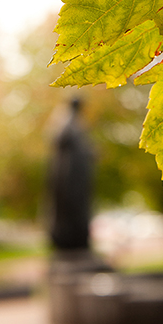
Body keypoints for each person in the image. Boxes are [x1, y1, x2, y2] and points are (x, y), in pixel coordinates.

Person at [48, 97, 94, 250]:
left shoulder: (79, 123)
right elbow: (58, 139)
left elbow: (83, 145)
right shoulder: (65, 121)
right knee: (69, 204)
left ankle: (80, 240)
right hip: (68, 174)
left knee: (80, 205)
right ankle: (67, 240)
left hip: (79, 173)